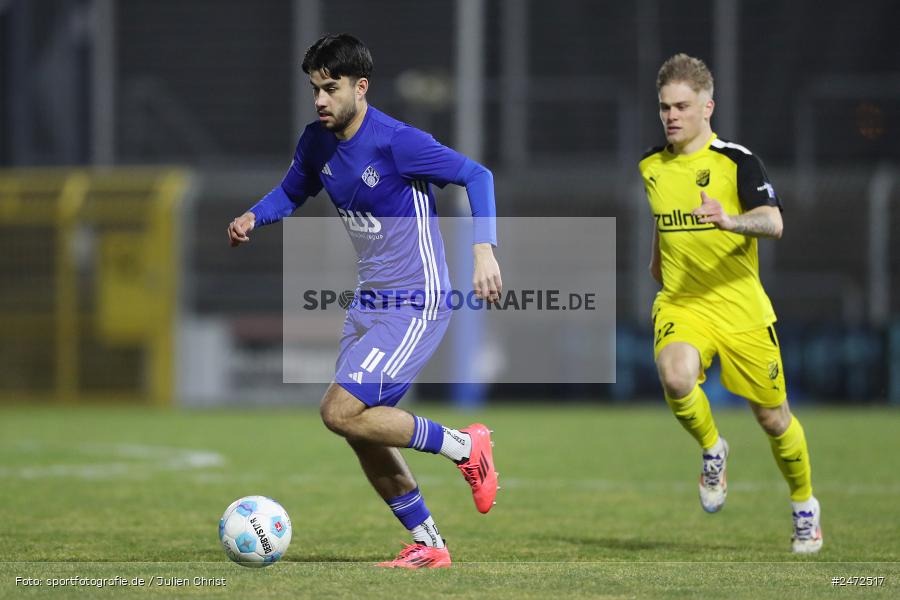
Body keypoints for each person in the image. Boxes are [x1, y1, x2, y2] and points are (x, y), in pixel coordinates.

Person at [227, 33, 502, 568]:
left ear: (361, 87)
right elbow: (292, 190)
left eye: (331, 88)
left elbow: (477, 174)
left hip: (416, 301)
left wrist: (484, 250)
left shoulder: (397, 142)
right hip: (368, 306)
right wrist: (253, 216)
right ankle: (429, 544)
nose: (320, 100)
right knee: (360, 428)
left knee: (339, 411)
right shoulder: (317, 141)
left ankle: (468, 447)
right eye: (315, 89)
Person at [638, 53, 822, 553]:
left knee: (773, 418)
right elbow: (664, 222)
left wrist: (731, 221)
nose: (671, 116)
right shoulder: (652, 166)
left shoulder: (738, 161)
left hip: (739, 307)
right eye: (664, 107)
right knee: (676, 376)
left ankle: (804, 504)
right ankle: (712, 448)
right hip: (683, 303)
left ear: (707, 106)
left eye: (682, 106)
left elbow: (773, 222)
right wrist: (658, 265)